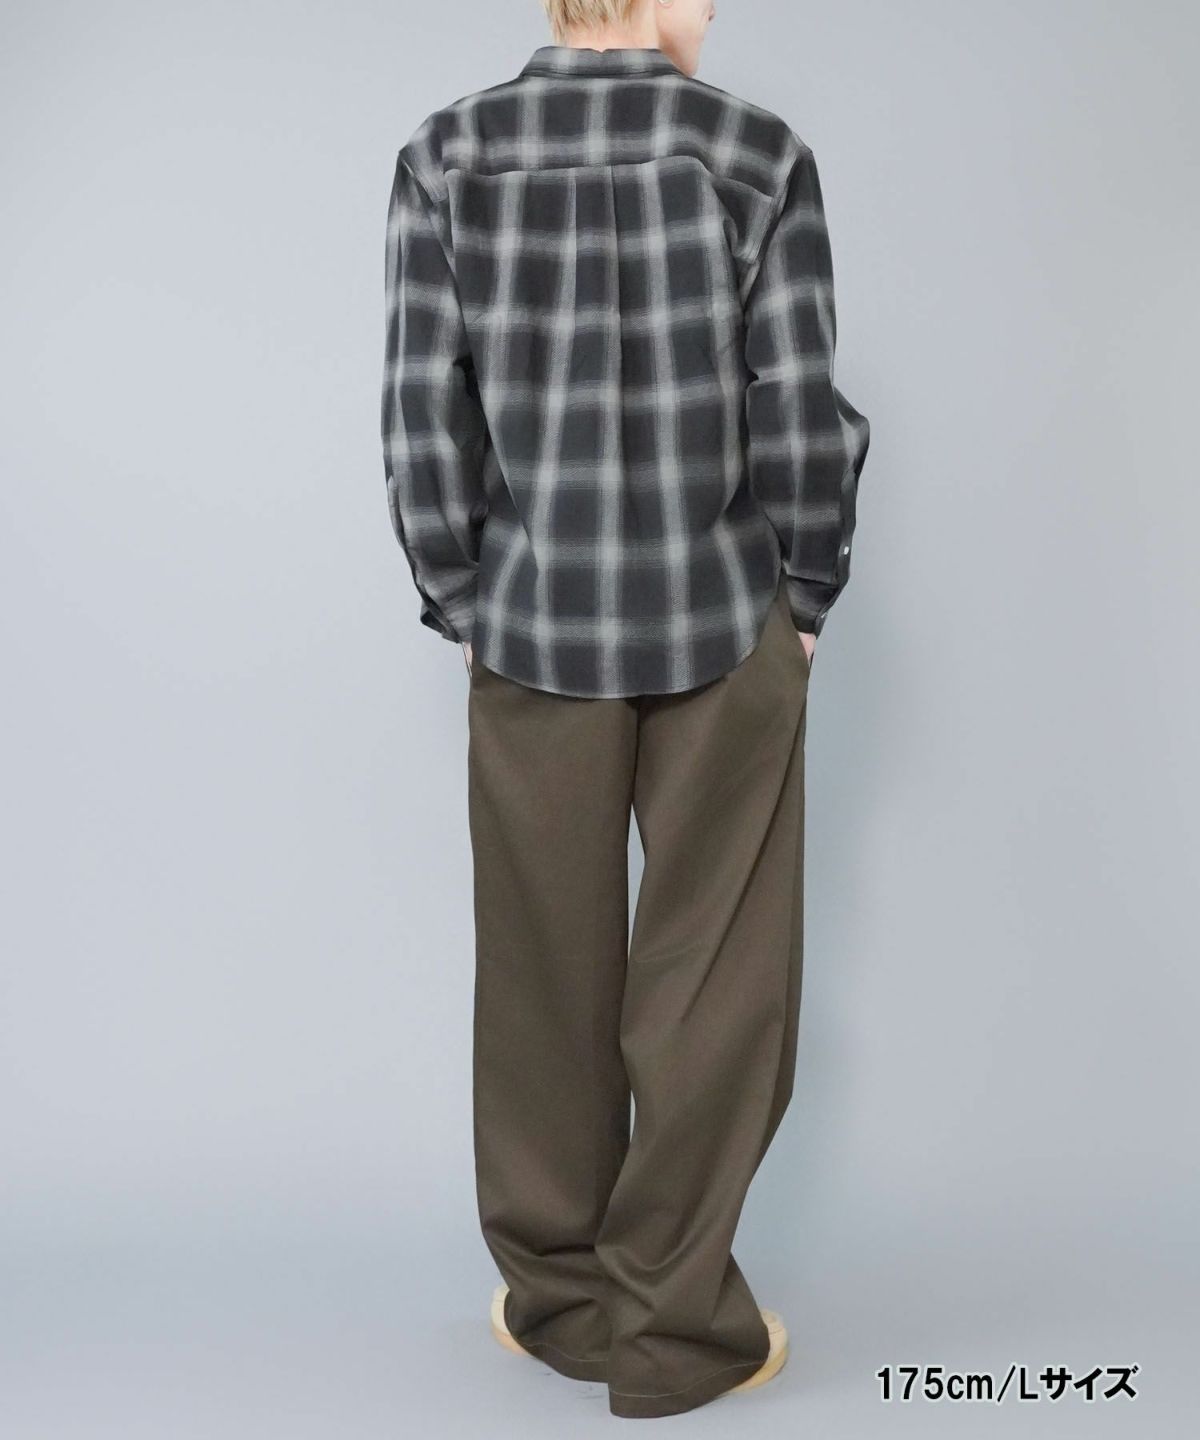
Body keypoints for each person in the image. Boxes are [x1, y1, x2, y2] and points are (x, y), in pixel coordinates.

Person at [380, 0, 870, 1419]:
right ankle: (676, 1328)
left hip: (534, 623)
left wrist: (465, 596)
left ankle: (562, 1304)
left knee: (542, 979)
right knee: (714, 988)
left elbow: (423, 418)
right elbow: (798, 403)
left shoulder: (447, 155)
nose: (713, 11)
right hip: (724, 618)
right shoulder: (755, 152)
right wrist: (809, 589)